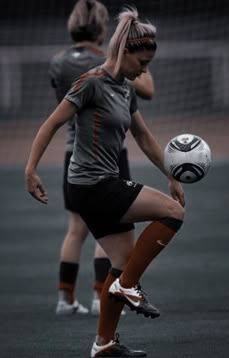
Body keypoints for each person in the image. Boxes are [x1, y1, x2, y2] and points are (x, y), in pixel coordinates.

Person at [25, 6, 185, 357]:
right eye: (141, 63)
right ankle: (129, 287)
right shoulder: (91, 82)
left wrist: (171, 176)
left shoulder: (125, 90)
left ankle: (104, 343)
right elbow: (50, 124)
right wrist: (31, 169)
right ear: (123, 51)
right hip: (90, 185)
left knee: (119, 262)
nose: (144, 71)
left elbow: (144, 138)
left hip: (103, 183)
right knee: (173, 213)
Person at [48, 0, 155, 316]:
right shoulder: (108, 60)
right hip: (109, 151)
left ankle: (65, 299)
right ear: (103, 29)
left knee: (76, 228)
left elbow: (63, 106)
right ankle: (100, 296)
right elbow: (147, 89)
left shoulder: (57, 62)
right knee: (111, 220)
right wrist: (141, 56)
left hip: (73, 151)